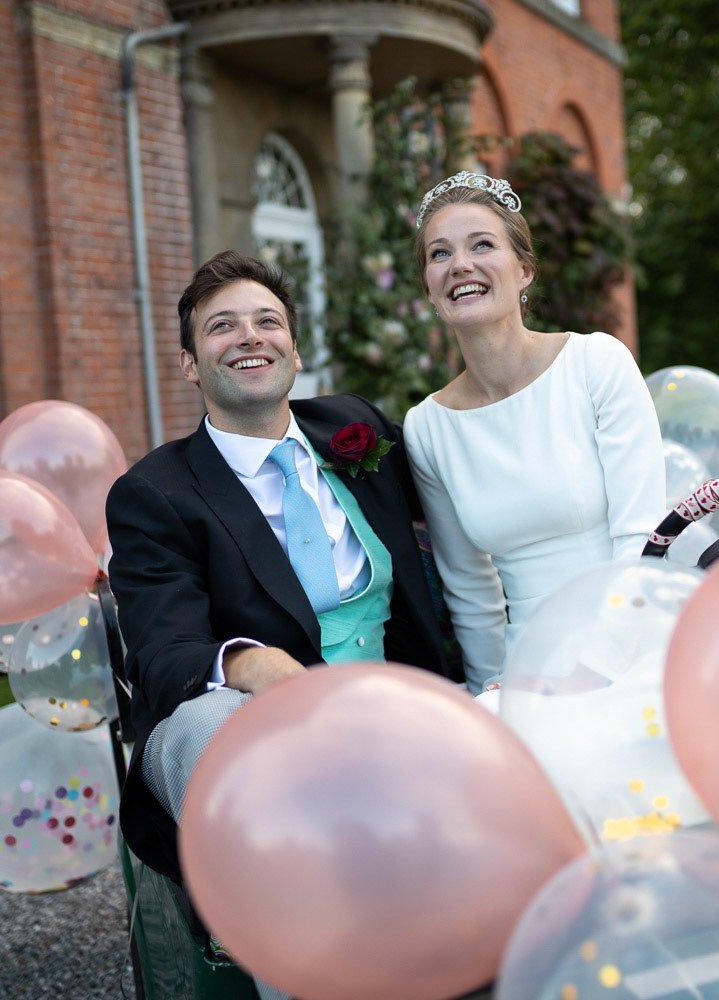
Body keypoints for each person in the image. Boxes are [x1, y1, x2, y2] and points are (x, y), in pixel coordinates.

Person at [105, 250, 456, 886]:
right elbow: (160, 655)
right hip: (257, 730)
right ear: (190, 365)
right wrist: (252, 664)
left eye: (267, 321)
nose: (248, 336)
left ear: (293, 351)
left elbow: (472, 486)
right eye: (221, 326)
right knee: (234, 743)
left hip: (392, 703)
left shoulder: (354, 427)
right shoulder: (154, 495)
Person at [403, 171, 667, 694]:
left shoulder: (596, 363)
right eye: (439, 254)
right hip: (527, 671)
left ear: (524, 270)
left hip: (634, 643)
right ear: (430, 290)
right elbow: (472, 590)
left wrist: (596, 668)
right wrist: (492, 690)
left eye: (482, 245)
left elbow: (643, 534)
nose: (460, 265)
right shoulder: (427, 427)